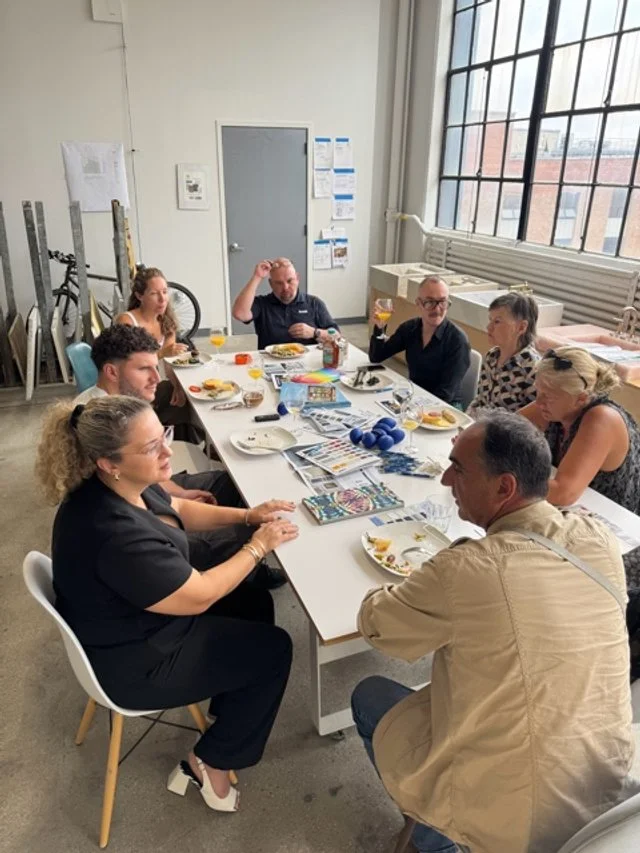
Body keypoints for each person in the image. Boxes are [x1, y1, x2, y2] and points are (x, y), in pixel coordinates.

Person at [351, 411, 633, 853]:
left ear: (504, 487)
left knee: (369, 694)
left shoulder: (467, 568)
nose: (446, 479)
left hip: (519, 814)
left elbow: (379, 627)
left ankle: (443, 842)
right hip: (608, 789)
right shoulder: (597, 541)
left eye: (458, 469)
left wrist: (411, 585)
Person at [36, 396, 298, 812]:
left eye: (165, 436)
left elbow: (178, 507)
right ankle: (209, 762)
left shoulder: (120, 486)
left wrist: (248, 517)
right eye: (151, 447)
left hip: (127, 624)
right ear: (109, 461)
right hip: (135, 664)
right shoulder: (114, 532)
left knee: (253, 602)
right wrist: (257, 547)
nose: (167, 452)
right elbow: (201, 595)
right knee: (275, 650)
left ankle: (227, 714)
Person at [73, 325, 286, 587]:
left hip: (145, 492)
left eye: (156, 366)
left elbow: (139, 479)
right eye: (144, 369)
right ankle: (239, 566)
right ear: (112, 371)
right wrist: (255, 545)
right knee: (238, 532)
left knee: (229, 484)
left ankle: (247, 567)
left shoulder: (115, 405)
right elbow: (133, 493)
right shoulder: (101, 424)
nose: (156, 377)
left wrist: (178, 494)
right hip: (140, 521)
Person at [519, 345, 640, 511]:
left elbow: (563, 494)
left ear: (581, 399)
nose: (538, 402)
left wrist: (505, 474)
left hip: (616, 520)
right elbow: (501, 429)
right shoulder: (554, 406)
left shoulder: (602, 419)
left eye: (548, 396)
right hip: (578, 509)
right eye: (538, 391)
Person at [369, 276, 470, 405]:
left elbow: (445, 394)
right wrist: (380, 327)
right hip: (415, 399)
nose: (437, 309)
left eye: (442, 302)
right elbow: (376, 356)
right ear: (418, 303)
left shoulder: (457, 340)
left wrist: (411, 407)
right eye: (430, 302)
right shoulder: (410, 329)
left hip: (445, 408)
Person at [231, 258, 339, 349]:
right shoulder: (262, 304)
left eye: (289, 281)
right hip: (270, 362)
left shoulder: (314, 303)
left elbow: (336, 336)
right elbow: (239, 314)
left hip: (307, 362)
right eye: (278, 283)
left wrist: (314, 332)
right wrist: (257, 277)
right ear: (271, 284)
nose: (285, 287)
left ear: (297, 278)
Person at [467, 292, 539, 414]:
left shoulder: (533, 368)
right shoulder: (492, 356)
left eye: (497, 322)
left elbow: (533, 422)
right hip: (480, 425)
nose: (488, 327)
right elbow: (480, 401)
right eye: (490, 320)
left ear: (521, 327)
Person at [116, 266, 187, 359]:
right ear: (139, 296)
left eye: (165, 292)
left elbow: (167, 361)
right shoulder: (127, 321)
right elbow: (129, 362)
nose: (162, 299)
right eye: (154, 293)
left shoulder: (167, 321)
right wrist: (161, 353)